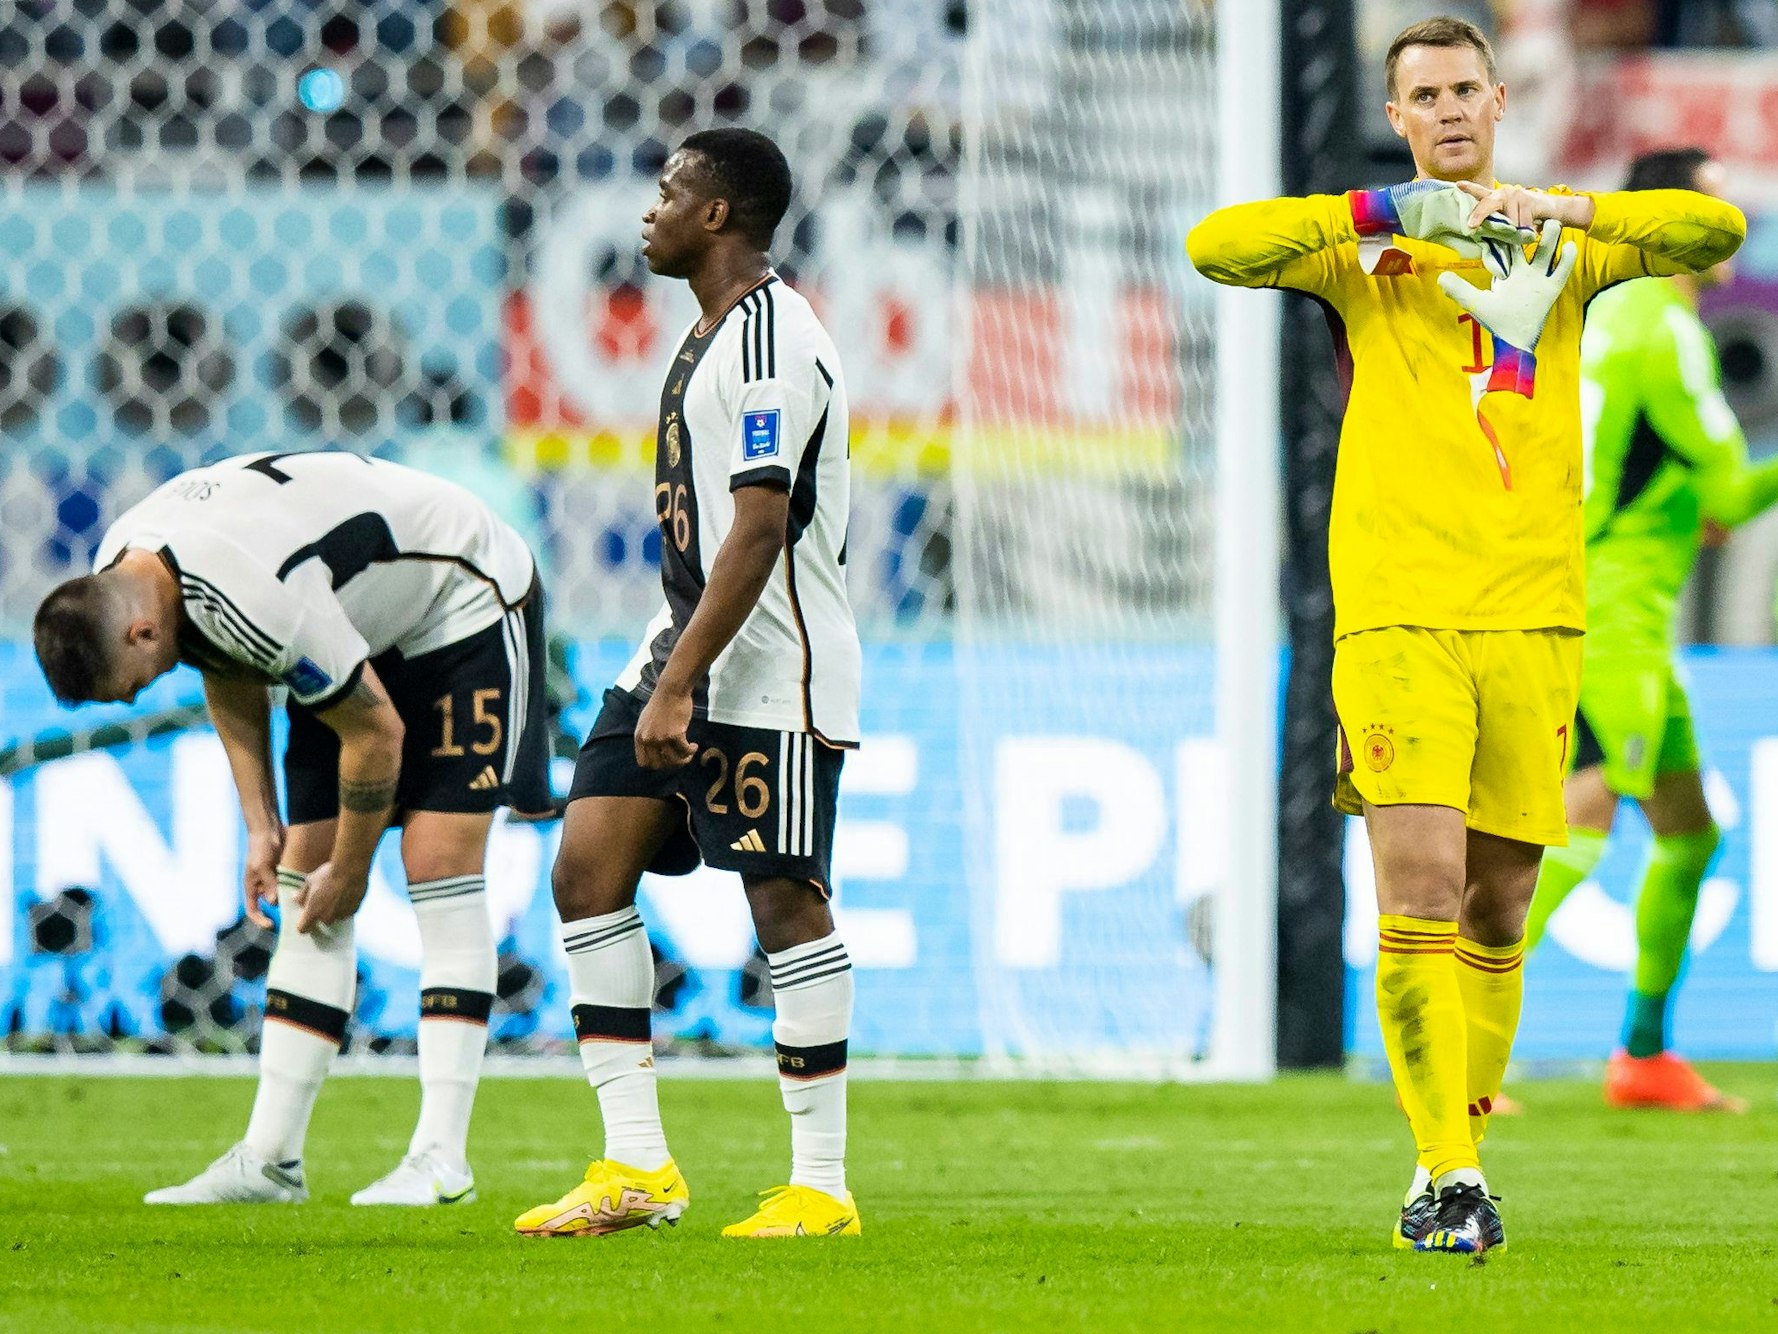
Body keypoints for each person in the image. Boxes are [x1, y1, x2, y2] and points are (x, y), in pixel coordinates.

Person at [1188, 15, 1743, 1253]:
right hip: (1395, 612)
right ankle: (1441, 1171)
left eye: (1460, 91)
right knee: (1422, 890)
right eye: (1420, 95)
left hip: (1537, 616)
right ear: (1396, 117)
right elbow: (1215, 246)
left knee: (1498, 906)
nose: (1443, 110)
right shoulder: (1358, 253)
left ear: (1496, 100)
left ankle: (1458, 1161)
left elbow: (1713, 230)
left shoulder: (1563, 245)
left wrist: (1553, 209)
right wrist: (1388, 215)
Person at [33, 450, 552, 1206]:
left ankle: (441, 1158)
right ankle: (270, 1160)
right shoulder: (126, 571)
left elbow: (375, 735)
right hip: (353, 622)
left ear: (143, 634)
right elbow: (220, 658)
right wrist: (260, 823)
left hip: (461, 598)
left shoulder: (259, 598)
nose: (139, 692)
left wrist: (352, 864)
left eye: (135, 684)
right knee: (299, 876)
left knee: (436, 860)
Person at [513, 128, 863, 1240]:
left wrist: (684, 683)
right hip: (682, 642)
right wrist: (668, 670)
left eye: (668, 190)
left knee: (782, 899)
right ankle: (636, 1166)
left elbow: (761, 528)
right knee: (586, 863)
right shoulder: (707, 335)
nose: (647, 209)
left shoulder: (768, 340)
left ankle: (820, 1184)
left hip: (771, 663)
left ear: (719, 215)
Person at [1524, 148, 1772, 1113]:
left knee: (1687, 832)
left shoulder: (1608, 315)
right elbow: (1731, 495)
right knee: (1584, 821)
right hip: (1609, 614)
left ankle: (1642, 1055)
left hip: (1616, 610)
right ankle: (1458, 1036)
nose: (1727, 223)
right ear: (1667, 222)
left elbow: (1676, 486)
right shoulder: (1661, 329)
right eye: (1710, 205)